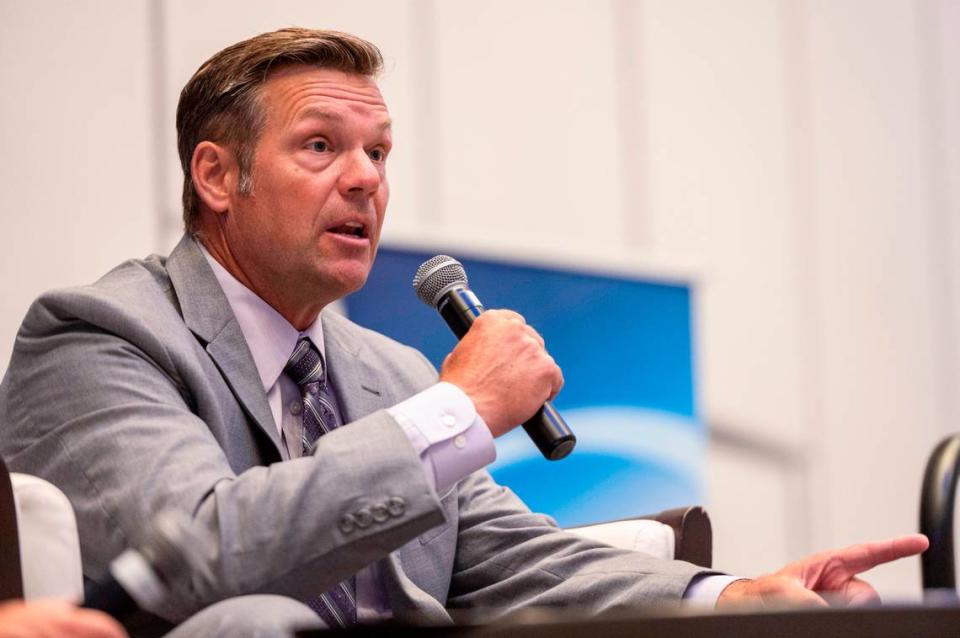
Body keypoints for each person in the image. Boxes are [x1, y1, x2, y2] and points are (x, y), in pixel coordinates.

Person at [0, 28, 927, 637]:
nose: (365, 179)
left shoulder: (386, 368)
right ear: (216, 176)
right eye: (321, 146)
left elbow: (508, 557)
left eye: (379, 153)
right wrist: (460, 408)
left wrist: (730, 595)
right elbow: (195, 558)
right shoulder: (101, 335)